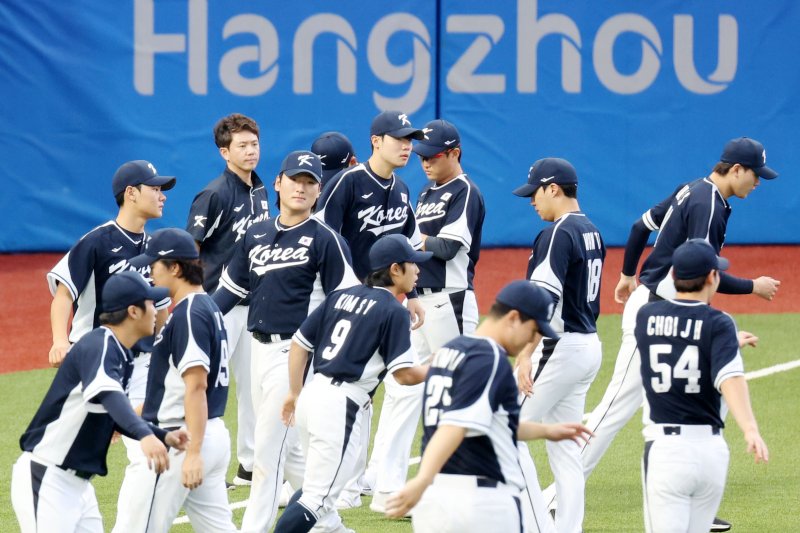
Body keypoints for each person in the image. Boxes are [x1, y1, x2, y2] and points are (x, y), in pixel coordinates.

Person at [567, 137, 780, 533]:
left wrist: (628, 273)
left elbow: (638, 226)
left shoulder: (692, 188)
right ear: (736, 169)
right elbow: (703, 275)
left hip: (658, 303)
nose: (758, 182)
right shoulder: (710, 204)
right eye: (755, 175)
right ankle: (553, 501)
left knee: (700, 391)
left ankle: (698, 500)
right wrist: (753, 286)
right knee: (614, 408)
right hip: (655, 310)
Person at [212, 150, 360, 533]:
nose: (302, 187)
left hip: (297, 353)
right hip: (257, 350)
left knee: (267, 450)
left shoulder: (326, 240)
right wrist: (196, 319)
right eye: (296, 179)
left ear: (319, 190)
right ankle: (330, 524)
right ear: (278, 183)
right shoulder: (256, 233)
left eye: (311, 182)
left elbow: (346, 302)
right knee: (290, 452)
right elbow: (228, 291)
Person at [384, 280, 593, 533]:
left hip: (436, 502)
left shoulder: (450, 351)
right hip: (479, 503)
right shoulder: (490, 358)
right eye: (534, 329)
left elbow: (493, 424)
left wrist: (547, 431)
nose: (532, 340)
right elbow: (456, 425)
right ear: (514, 318)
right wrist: (421, 479)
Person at [360, 119, 487, 513]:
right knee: (403, 388)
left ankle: (454, 480)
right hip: (418, 303)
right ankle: (384, 480)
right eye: (420, 156)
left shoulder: (465, 191)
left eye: (433, 156)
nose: (425, 162)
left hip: (451, 302)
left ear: (455, 153)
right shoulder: (427, 192)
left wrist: (402, 242)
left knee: (454, 392)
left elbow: (449, 247)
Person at [274, 234, 433, 533]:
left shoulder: (340, 296)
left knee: (319, 494)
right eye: (413, 264)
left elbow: (299, 344)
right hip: (341, 405)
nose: (418, 271)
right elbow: (405, 375)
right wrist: (442, 369)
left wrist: (294, 393)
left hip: (313, 394)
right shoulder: (393, 311)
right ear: (395, 269)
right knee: (317, 498)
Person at [11, 271, 188, 533]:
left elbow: (114, 413)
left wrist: (162, 436)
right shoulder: (100, 344)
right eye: (151, 303)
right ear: (133, 311)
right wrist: (145, 435)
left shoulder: (122, 354)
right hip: (47, 478)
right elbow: (109, 396)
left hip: (79, 488)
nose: (158, 310)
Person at [635, 239, 769, 533]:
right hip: (711, 452)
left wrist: (722, 345)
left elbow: (676, 345)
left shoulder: (645, 317)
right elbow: (729, 377)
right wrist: (750, 429)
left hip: (666, 451)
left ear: (672, 276)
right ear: (712, 277)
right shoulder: (720, 323)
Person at [112, 229, 236, 532]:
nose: (151, 273)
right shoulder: (206, 307)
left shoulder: (190, 313)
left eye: (155, 265)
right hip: (206, 433)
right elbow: (171, 388)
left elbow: (195, 385)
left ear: (175, 268)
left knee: (135, 528)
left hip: (181, 440)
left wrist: (192, 453)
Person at [512, 157, 606, 533]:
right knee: (566, 449)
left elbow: (543, 301)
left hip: (560, 347)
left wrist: (524, 355)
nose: (531, 201)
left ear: (553, 189)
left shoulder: (557, 233)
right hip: (588, 346)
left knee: (504, 429)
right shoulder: (591, 230)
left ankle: (537, 525)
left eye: (534, 193)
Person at [185, 113, 269, 486]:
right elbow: (191, 251)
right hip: (219, 304)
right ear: (224, 152)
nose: (250, 151)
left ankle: (249, 465)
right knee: (210, 385)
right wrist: (196, 304)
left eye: (254, 144)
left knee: (254, 388)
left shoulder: (263, 190)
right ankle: (199, 460)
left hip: (255, 306)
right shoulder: (214, 194)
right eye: (242, 146)